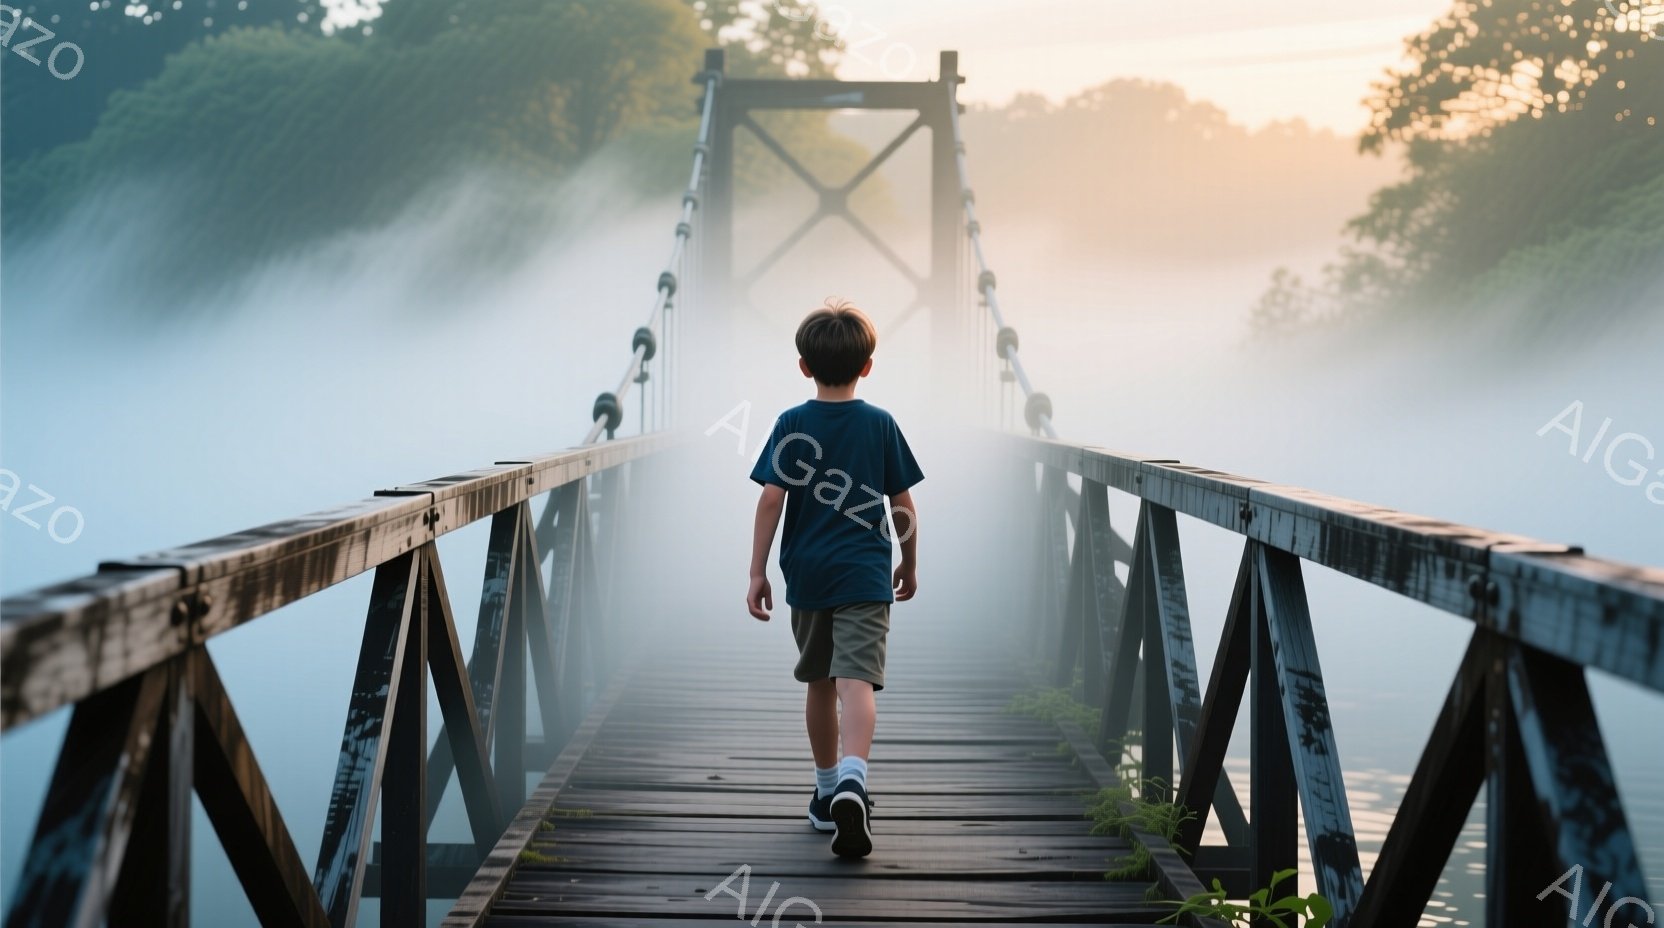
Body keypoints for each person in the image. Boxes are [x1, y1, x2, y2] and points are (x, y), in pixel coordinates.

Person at [745, 299, 924, 859]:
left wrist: (756, 570)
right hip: (866, 573)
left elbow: (771, 499)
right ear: (867, 366)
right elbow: (903, 504)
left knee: (819, 682)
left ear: (803, 366)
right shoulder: (881, 424)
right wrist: (909, 560)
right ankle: (854, 779)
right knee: (857, 683)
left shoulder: (790, 424)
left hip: (808, 572)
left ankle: (826, 796)